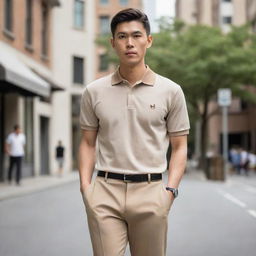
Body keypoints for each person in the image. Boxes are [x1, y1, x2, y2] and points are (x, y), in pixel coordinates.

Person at [79, 8, 190, 256]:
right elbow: (87, 143)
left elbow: (180, 146)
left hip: (151, 192)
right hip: (105, 192)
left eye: (137, 35)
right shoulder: (93, 91)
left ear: (148, 40)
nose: (130, 43)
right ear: (112, 43)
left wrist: (170, 191)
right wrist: (86, 189)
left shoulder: (171, 91)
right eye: (122, 36)